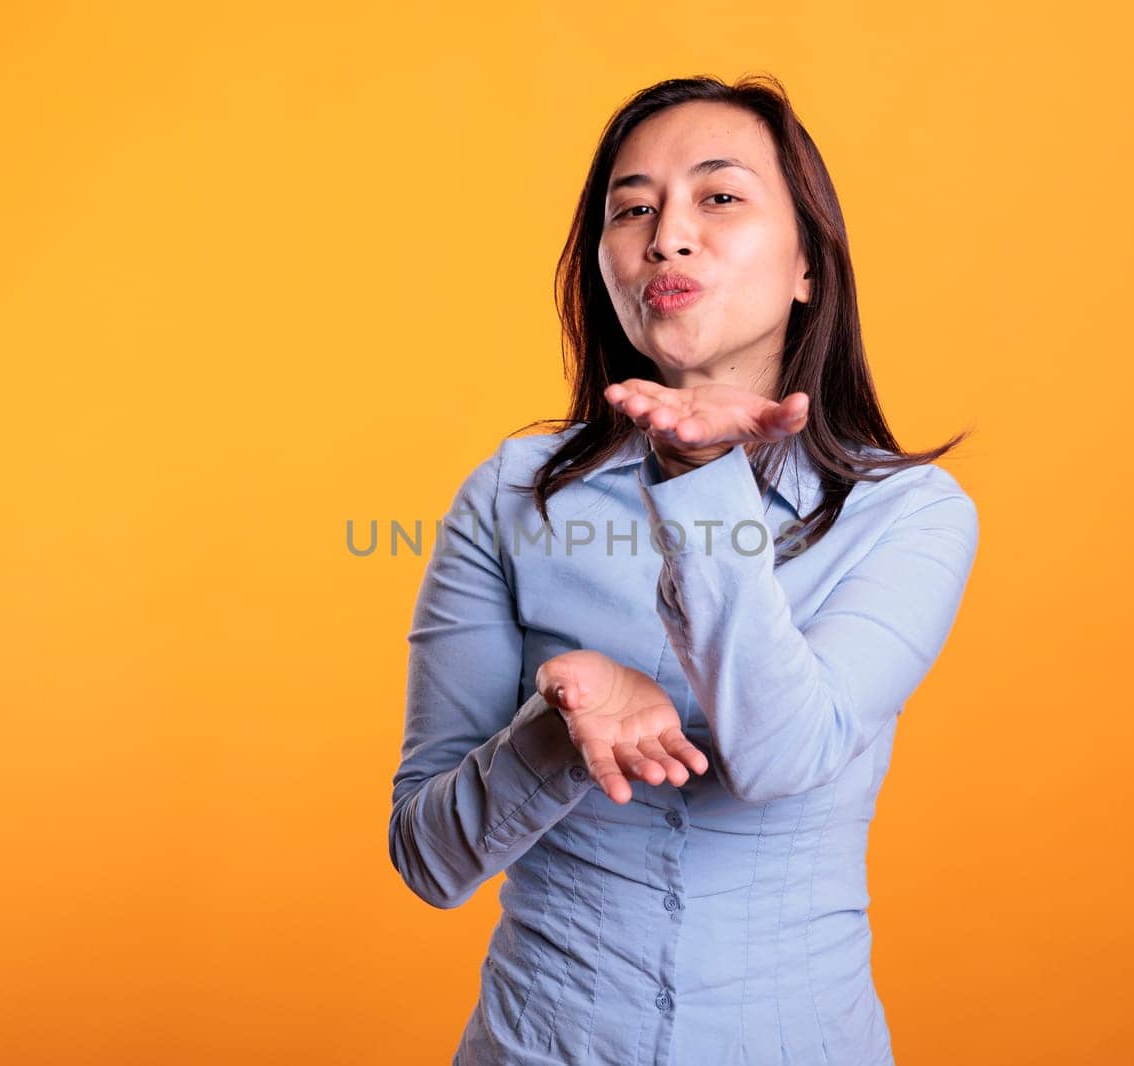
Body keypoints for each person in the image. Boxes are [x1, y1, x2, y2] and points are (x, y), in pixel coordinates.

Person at [387, 73, 980, 1066]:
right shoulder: (510, 493)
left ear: (807, 268)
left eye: (719, 196)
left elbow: (783, 756)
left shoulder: (907, 515)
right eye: (631, 209)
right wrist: (558, 733)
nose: (665, 234)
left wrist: (701, 486)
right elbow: (428, 857)